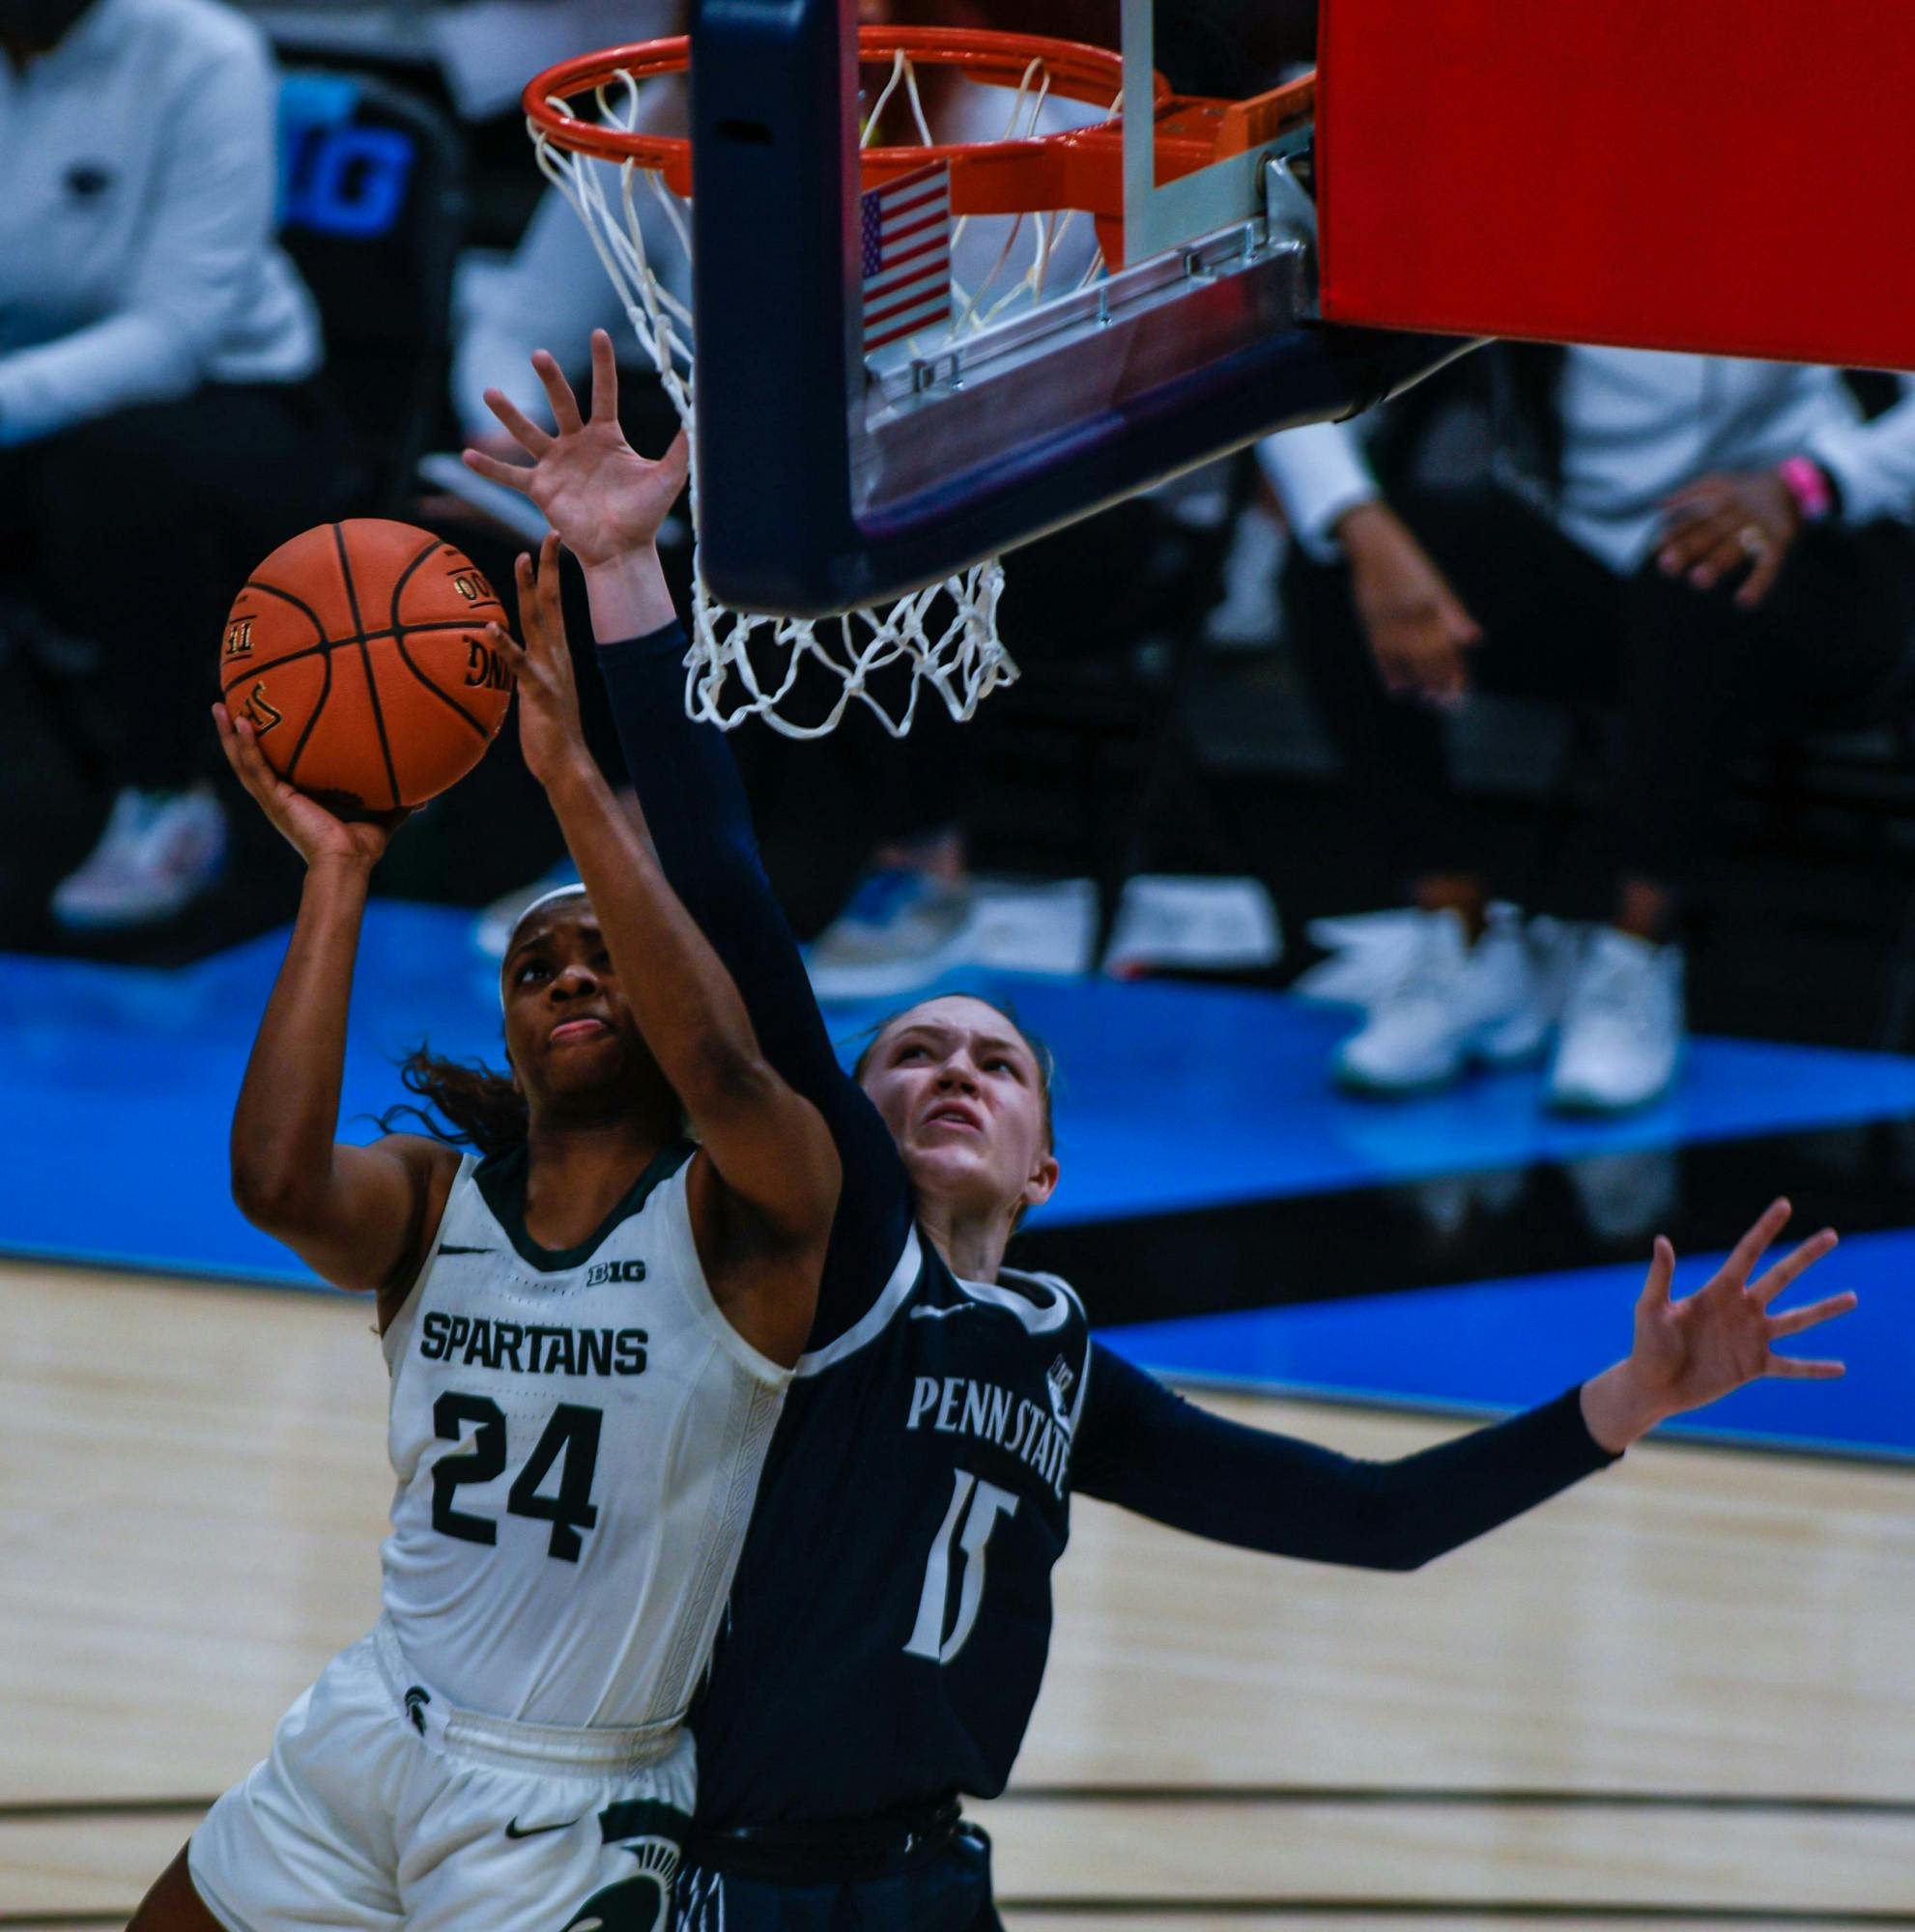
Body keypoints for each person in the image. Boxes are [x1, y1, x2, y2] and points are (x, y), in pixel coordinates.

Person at [465, 334, 1858, 1932]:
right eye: (909, 1052)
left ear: (1046, 1167)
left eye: (993, 1062)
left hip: (926, 1883)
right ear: (843, 1122)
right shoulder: (828, 1262)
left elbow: (1370, 1519)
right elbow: (720, 874)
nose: (949, 1071)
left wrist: (1627, 1400)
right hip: (719, 1882)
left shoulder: (1057, 1366)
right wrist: (632, 576)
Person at [126, 522, 841, 1932]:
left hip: (571, 1800)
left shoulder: (747, 1211)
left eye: (605, 961)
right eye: (535, 967)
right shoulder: (433, 1203)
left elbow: (731, 1072)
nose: (571, 976)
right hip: (371, 1727)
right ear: (507, 1030)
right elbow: (274, 1185)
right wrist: (335, 873)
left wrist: (573, 780)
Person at [1259, 346, 1915, 1110]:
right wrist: (1357, 522)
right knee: (1330, 569)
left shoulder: (1825, 224)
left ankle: (1636, 955)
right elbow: (1281, 352)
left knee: (1695, 571)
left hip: (1796, 540)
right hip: (1571, 539)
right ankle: (1462, 940)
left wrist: (1807, 484)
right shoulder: (1502, 224)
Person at [0, 0, 354, 930]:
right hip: (26, 390)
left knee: (113, 477)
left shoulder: (207, 55)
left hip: (230, 397)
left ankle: (165, 794)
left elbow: (172, 338)